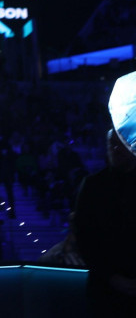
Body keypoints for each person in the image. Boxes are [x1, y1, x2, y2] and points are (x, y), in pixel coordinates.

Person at [74, 126, 136, 316]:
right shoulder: (93, 186)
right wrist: (111, 277)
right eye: (112, 144)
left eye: (120, 143)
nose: (115, 149)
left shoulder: (93, 186)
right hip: (104, 291)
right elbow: (84, 238)